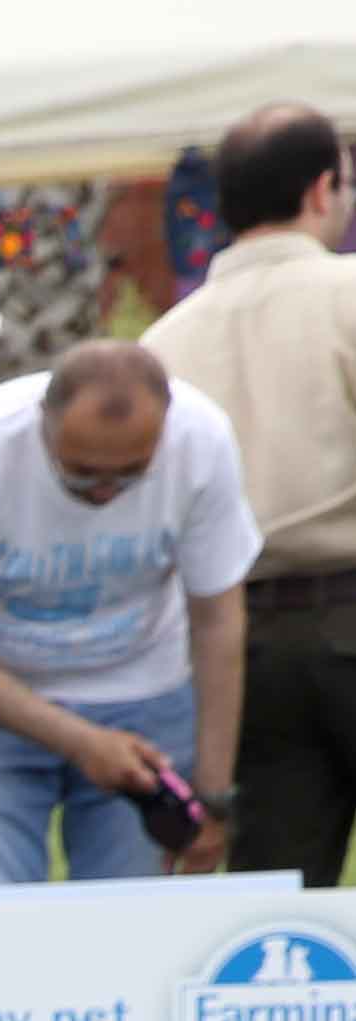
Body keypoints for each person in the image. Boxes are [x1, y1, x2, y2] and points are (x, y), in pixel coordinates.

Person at [0, 344, 254, 886]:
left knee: (127, 930)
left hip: (145, 698)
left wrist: (212, 796)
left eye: (132, 473)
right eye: (81, 473)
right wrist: (82, 741)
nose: (106, 491)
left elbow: (219, 621)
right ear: (44, 421)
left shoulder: (202, 441)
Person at [145, 103, 356, 885]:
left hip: (236, 648)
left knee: (280, 895)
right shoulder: (348, 294)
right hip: (346, 602)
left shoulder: (162, 342)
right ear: (320, 189)